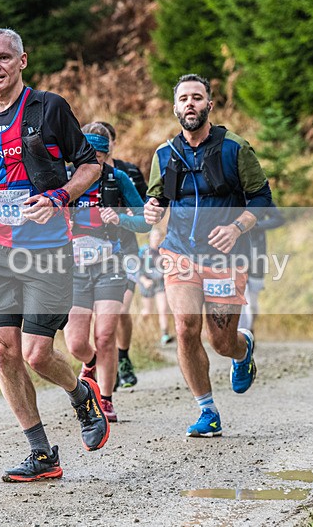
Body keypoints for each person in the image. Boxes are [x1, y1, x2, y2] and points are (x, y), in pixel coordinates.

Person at [0, 28, 107, 483]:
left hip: (49, 251)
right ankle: (41, 453)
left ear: (22, 61)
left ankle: (81, 395)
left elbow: (90, 165)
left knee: (38, 354)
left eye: (2, 57)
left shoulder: (49, 107)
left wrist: (58, 196)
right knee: (2, 350)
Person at [143, 73, 272, 438]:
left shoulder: (235, 148)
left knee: (221, 342)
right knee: (185, 328)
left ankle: (242, 349)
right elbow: (156, 200)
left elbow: (263, 200)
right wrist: (152, 210)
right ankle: (207, 411)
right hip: (180, 252)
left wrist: (236, 228)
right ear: (175, 107)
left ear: (209, 105)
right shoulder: (164, 154)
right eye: (183, 98)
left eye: (197, 98)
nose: (190, 104)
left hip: (225, 258)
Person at [64, 122, 149, 422]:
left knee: (105, 334)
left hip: (111, 265)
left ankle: (106, 398)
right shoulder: (63, 179)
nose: (94, 163)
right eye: (89, 156)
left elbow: (145, 221)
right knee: (75, 343)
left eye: (100, 156)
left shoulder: (119, 178)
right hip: (73, 268)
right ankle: (92, 364)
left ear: (107, 154)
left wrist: (121, 218)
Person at [95, 121, 148, 389]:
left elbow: (149, 210)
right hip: (91, 256)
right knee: (101, 314)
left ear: (112, 144)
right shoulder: (78, 175)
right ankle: (105, 362)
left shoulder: (127, 173)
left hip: (126, 248)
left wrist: (125, 217)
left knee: (120, 309)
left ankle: (122, 357)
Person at [237, 206, 285, 333]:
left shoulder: (259, 196)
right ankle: (243, 332)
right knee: (239, 294)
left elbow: (279, 219)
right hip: (235, 253)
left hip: (257, 253)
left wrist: (256, 225)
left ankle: (250, 329)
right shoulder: (229, 194)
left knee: (252, 300)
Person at [137, 228, 174, 346]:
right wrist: (144, 280)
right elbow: (138, 269)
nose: (156, 238)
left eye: (158, 236)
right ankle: (140, 332)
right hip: (146, 283)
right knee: (147, 311)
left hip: (160, 284)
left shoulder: (163, 250)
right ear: (150, 237)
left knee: (163, 309)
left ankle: (165, 335)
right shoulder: (144, 251)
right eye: (154, 236)